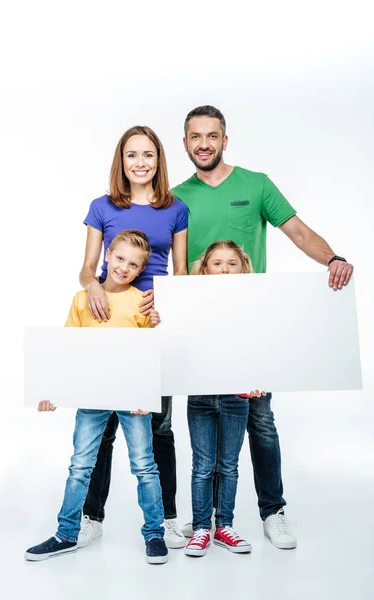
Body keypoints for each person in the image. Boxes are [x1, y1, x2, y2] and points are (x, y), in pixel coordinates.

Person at [172, 105, 354, 550]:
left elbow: (298, 232)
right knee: (201, 420)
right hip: (200, 330)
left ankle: (273, 512)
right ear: (185, 144)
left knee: (261, 420)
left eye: (212, 136)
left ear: (224, 140)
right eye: (196, 137)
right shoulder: (175, 197)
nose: (204, 144)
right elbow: (166, 260)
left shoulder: (256, 184)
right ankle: (200, 522)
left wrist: (332, 258)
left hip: (253, 325)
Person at [25, 230, 168, 565]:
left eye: (133, 264)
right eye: (120, 258)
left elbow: (152, 352)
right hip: (93, 396)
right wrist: (51, 392)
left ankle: (154, 534)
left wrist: (146, 392)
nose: (124, 267)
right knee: (80, 466)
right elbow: (66, 351)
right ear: (107, 256)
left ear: (139, 270)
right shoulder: (81, 299)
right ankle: (66, 534)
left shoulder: (141, 302)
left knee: (145, 466)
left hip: (133, 397)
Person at [78, 126, 188, 550]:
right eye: (131, 155)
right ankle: (91, 517)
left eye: (148, 155)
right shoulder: (101, 207)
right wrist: (92, 287)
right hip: (108, 319)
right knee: (103, 423)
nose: (140, 162)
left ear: (159, 160)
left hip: (154, 325)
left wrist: (167, 308)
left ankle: (170, 517)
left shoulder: (176, 209)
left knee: (160, 427)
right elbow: (88, 267)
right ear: (120, 161)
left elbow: (180, 273)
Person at [185, 240, 265, 557]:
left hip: (236, 396)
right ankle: (202, 527)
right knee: (203, 466)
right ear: (204, 268)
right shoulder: (190, 305)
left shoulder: (252, 305)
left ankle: (224, 526)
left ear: (243, 267)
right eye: (217, 263)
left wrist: (258, 379)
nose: (224, 268)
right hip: (201, 397)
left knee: (228, 466)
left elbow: (260, 346)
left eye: (232, 263)